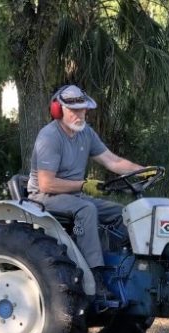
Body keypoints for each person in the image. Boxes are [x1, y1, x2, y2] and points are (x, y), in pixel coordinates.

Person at [26, 84, 144, 301]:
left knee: (122, 213)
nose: (80, 114)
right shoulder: (49, 136)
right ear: (58, 110)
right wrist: (82, 185)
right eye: (74, 110)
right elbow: (45, 184)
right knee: (87, 209)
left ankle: (126, 268)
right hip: (43, 199)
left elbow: (113, 161)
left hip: (73, 197)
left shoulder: (86, 133)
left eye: (83, 109)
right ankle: (96, 280)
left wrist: (142, 171)